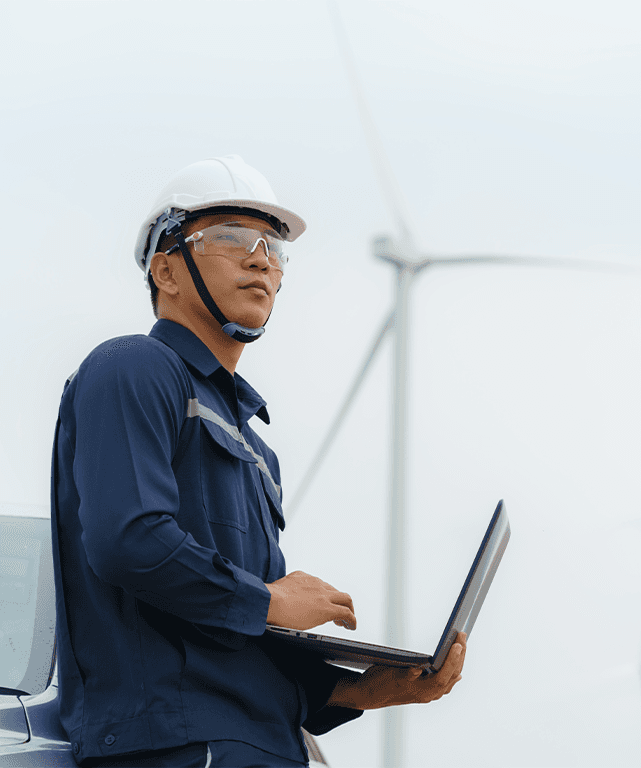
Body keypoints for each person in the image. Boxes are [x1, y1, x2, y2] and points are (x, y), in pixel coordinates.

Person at [50, 155, 467, 768]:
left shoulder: (255, 446)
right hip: (179, 746)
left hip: (262, 746)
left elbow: (242, 645)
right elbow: (129, 540)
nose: (260, 258)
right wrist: (270, 602)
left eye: (272, 245)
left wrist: (382, 687)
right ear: (165, 270)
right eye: (228, 236)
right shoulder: (132, 367)